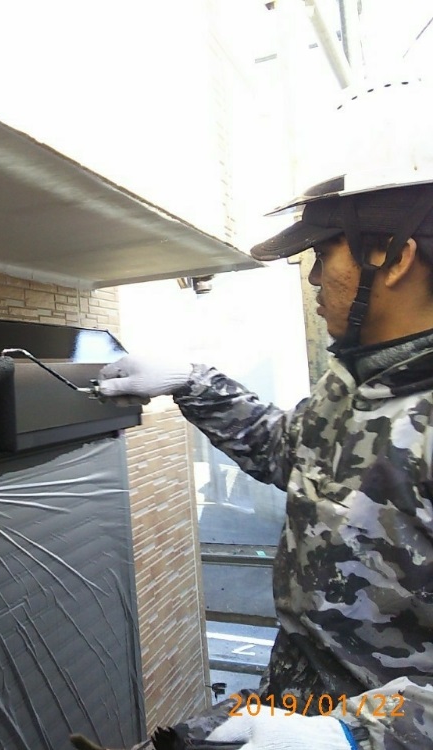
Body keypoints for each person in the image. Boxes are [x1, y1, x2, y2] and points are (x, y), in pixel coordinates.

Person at [71, 78, 432, 750]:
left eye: (323, 254)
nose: (314, 277)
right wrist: (191, 381)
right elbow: (291, 451)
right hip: (293, 705)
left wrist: (350, 736)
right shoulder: (356, 382)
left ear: (393, 256)